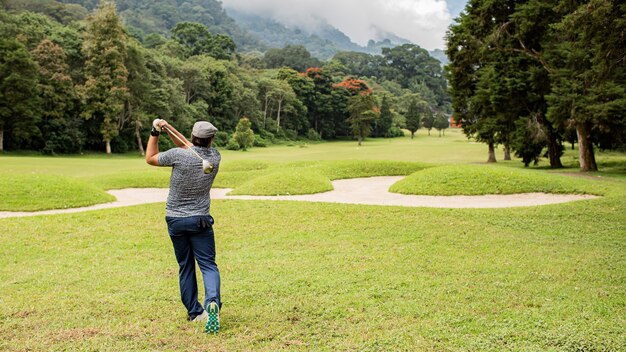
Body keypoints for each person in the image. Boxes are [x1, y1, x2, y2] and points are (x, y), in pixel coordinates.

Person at [145, 119, 222, 334]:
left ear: (193, 135)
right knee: (208, 265)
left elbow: (150, 158)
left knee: (186, 265)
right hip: (200, 220)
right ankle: (212, 302)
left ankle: (195, 313)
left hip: (176, 220)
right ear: (211, 139)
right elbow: (187, 146)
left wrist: (155, 131)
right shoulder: (215, 156)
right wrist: (169, 128)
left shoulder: (180, 155)